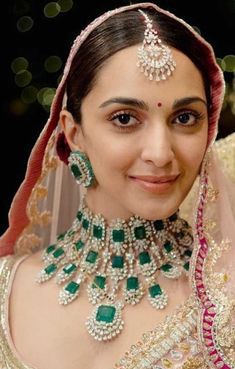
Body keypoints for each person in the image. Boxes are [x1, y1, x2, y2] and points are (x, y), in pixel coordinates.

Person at [0, 2, 234, 369]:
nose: (160, 153)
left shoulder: (225, 299)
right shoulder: (6, 287)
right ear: (74, 132)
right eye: (124, 118)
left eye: (185, 117)